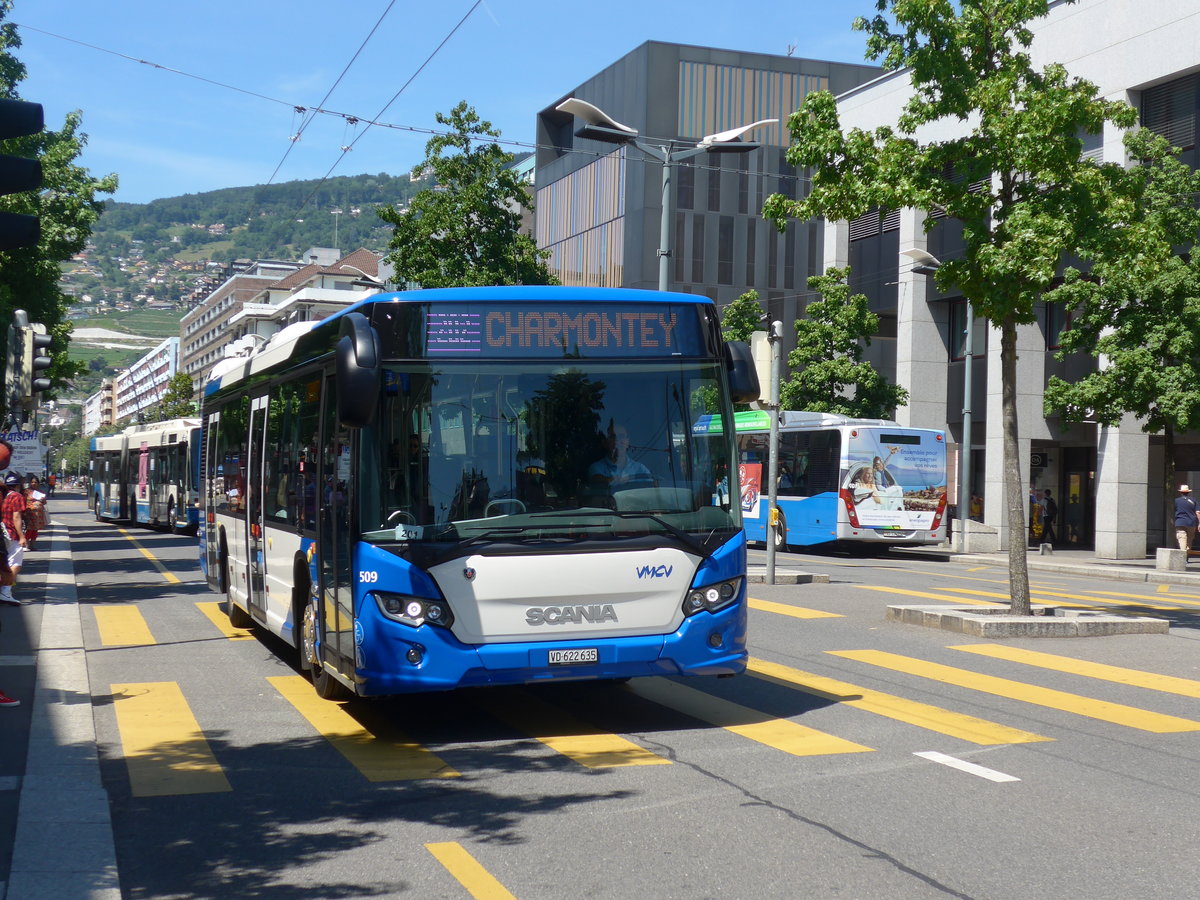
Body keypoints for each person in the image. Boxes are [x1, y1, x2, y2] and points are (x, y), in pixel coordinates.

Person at [588, 420, 653, 489]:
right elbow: (596, 480)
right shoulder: (597, 468)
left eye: (621, 436)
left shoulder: (641, 469)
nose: (617, 440)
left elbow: (651, 494)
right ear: (605, 443)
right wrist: (610, 480)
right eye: (612, 437)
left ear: (627, 441)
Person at [0, 472, 26, 603]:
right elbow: (16, 517)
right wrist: (21, 536)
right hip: (11, 534)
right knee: (15, 563)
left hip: (2, 533)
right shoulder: (16, 496)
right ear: (17, 485)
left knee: (4, 562)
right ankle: (6, 591)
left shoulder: (3, 496)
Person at [1174, 484, 1197, 558]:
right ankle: (1186, 555)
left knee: (1182, 539)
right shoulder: (1194, 500)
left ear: (1181, 492)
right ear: (1188, 492)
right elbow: (1198, 512)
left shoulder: (1177, 501)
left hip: (1180, 522)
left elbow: (1175, 510)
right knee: (1189, 540)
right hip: (1191, 522)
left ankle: (1183, 556)